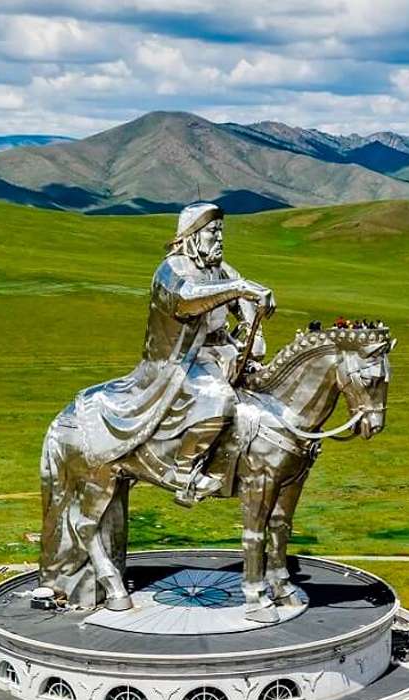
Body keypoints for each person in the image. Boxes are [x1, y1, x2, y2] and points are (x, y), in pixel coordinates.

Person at [65, 203, 274, 506]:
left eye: (221, 232)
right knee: (219, 399)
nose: (219, 239)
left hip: (223, 353)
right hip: (179, 362)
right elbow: (187, 300)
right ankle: (185, 471)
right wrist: (241, 288)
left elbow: (241, 302)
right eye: (213, 232)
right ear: (193, 235)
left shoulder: (219, 268)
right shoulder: (172, 270)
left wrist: (251, 321)